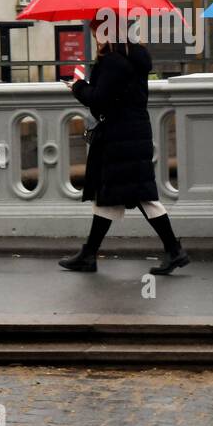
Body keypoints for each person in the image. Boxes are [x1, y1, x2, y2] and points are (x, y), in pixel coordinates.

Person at [59, 25, 190, 276]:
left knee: (140, 195)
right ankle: (88, 254)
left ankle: (174, 250)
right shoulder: (133, 55)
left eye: (97, 29)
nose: (95, 35)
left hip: (121, 136)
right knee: (110, 195)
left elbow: (99, 99)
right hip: (131, 133)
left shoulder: (114, 62)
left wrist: (77, 87)